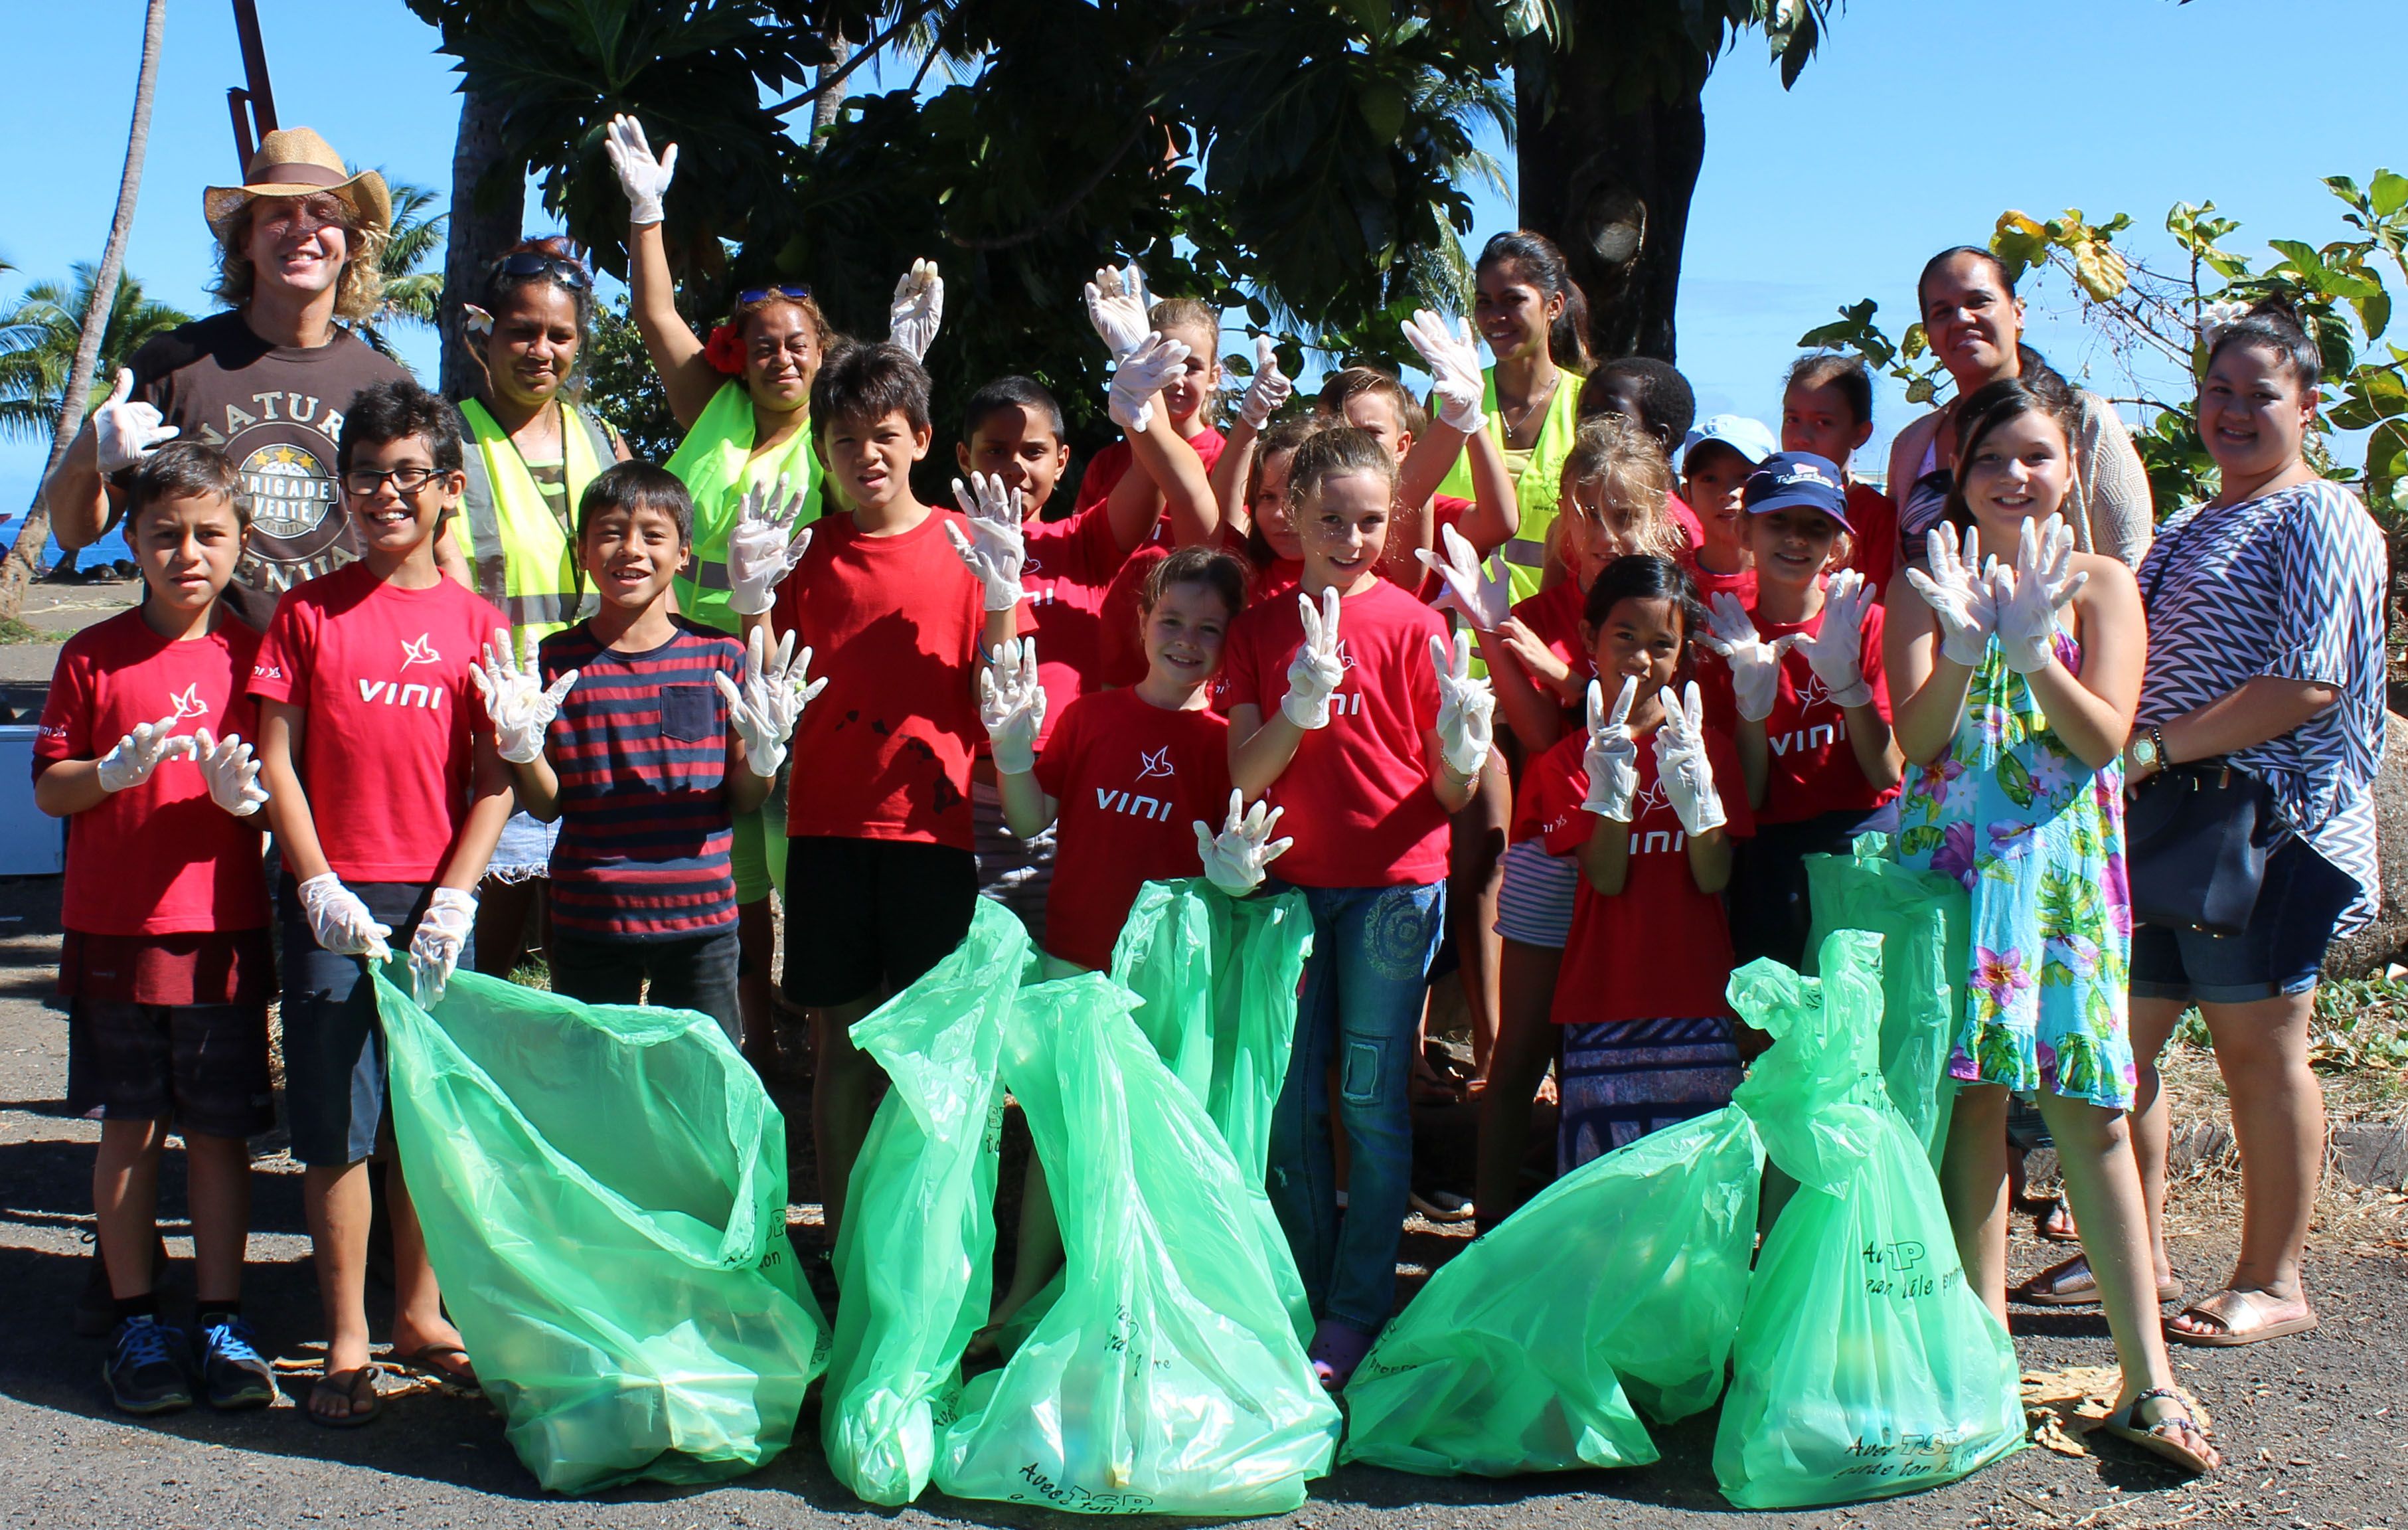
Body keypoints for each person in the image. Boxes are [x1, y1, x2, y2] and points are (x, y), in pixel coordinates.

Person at [1887, 377, 2216, 1473]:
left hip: (2064, 876)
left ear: (2069, 464)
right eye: (1990, 460)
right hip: (1952, 869)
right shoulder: (1925, 581)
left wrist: (2034, 652)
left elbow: (2104, 733)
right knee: (1971, 1105)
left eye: (2034, 455)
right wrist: (1972, 645)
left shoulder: (2103, 582)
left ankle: (2148, 1376)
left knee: (2093, 1111)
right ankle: (1979, 1358)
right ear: (1958, 472)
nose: (2013, 477)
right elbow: (1918, 739)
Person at [605, 114, 944, 1063]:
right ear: (738, 354)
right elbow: (655, 319)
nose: (780, 358)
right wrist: (647, 215)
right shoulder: (707, 408)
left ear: (821, 351)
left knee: (804, 859)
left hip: (791, 676)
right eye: (762, 344)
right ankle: (753, 1034)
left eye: (797, 343)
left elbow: (892, 454)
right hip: (690, 666)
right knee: (730, 871)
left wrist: (911, 359)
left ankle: (827, 1026)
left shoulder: (836, 433)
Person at [2115, 304, 2385, 1349]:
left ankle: (2271, 1279)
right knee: (2116, 1048)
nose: (2231, 412)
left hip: (2270, 825)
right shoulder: (2185, 524)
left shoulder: (2321, 517)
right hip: (2170, 822)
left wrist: (2151, 749)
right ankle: (2134, 1259)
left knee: (2257, 1056)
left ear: (2306, 407)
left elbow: (2305, 685)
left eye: (2257, 393)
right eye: (2216, 391)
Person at [249, 379, 515, 1426]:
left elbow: (497, 777)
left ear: (448, 489)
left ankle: (420, 1312)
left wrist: (454, 899)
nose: (386, 493)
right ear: (342, 488)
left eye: (409, 474)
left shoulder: (478, 622)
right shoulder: (307, 613)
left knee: (425, 1121)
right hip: (333, 901)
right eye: (366, 475)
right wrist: (311, 876)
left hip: (434, 899)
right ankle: (349, 1337)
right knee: (336, 1127)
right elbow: (278, 757)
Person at [1222, 426, 1494, 1390]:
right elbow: (1241, 774)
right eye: (1328, 518)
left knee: (1370, 1100)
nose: (1348, 537)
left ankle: (1355, 1309)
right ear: (1287, 513)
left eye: (1369, 521)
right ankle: (1296, 1289)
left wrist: (1462, 753)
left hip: (1392, 890)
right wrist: (1297, 709)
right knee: (1291, 1105)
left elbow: (1451, 794)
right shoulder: (1257, 630)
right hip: (1288, 891)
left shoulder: (1420, 626)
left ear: (1394, 522)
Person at [748, 342, 1030, 1243]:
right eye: (842, 439)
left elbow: (1002, 687)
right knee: (840, 1043)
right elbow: (764, 685)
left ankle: (928, 1237)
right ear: (821, 452)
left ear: (920, 440)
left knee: (928, 1051)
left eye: (883, 435)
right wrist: (752, 597)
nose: (864, 454)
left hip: (932, 832)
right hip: (825, 827)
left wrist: (998, 596)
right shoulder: (807, 555)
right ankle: (846, 1236)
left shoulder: (967, 548)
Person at [976, 545, 1287, 1333]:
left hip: (1168, 982)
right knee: (1059, 1138)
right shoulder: (1089, 715)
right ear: (1143, 619)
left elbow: (1237, 851)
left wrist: (1236, 877)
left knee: (1146, 1142)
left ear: (1231, 643)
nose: (1186, 639)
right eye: (1172, 619)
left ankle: (1130, 1303)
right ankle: (1024, 1302)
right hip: (1074, 961)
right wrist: (1012, 756)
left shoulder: (1226, 744)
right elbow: (1028, 819)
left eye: (1209, 629)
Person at [36, 445, 276, 1414]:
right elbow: (51, 788)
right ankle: (138, 1313)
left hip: (221, 930)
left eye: (209, 534)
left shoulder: (256, 656)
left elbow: (280, 795)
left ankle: (219, 1316)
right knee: (129, 1131)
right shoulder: (88, 654)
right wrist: (109, 775)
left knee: (220, 1136)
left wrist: (245, 804)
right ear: (129, 537)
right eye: (165, 533)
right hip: (113, 931)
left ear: (240, 543)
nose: (187, 552)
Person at [42, 128, 468, 625]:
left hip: (339, 678)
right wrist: (84, 458)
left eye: (324, 214)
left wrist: (470, 648)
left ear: (352, 243)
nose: (302, 229)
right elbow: (74, 534)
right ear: (244, 240)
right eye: (279, 214)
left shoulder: (386, 382)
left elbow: (439, 546)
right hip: (208, 679)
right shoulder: (174, 364)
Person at [483, 463, 813, 1043]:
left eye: (653, 535)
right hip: (590, 916)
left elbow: (742, 797)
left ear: (683, 553)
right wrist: (521, 750)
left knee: (699, 1085)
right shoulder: (553, 662)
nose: (630, 549)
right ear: (582, 549)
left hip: (702, 918)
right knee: (598, 1082)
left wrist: (764, 760)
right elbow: (548, 806)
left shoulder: (721, 657)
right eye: (609, 532)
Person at [961, 344, 1217, 942]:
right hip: (970, 797)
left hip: (1074, 796)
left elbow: (1153, 476)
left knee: (1065, 961)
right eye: (993, 451)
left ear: (1062, 461)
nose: (1012, 468)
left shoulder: (1081, 542)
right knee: (976, 973)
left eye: (1032, 452)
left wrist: (1139, 404)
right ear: (962, 457)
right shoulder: (945, 544)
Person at [1512, 558, 1751, 1176]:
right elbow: (1607, 876)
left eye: (1661, 645)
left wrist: (1699, 804)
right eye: (1625, 637)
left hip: (1695, 996)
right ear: (1590, 639)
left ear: (1682, 657)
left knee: (1696, 1188)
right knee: (1606, 1191)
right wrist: (1609, 791)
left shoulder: (1708, 750)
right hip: (1603, 1001)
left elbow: (1714, 876)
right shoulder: (1566, 759)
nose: (1642, 659)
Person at [451, 236, 631, 978]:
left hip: (590, 706)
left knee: (578, 917)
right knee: (491, 911)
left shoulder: (603, 438)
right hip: (491, 713)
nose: (540, 350)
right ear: (482, 333)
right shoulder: (448, 440)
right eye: (521, 330)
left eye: (560, 336)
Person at [1697, 454, 1903, 971]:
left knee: (1865, 1010)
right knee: (1780, 1021)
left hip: (1865, 838)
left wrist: (1850, 686)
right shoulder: (1726, 642)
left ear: (1839, 545)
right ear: (1744, 530)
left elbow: (1886, 772)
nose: (1795, 539)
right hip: (1773, 852)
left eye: (1816, 527)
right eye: (1777, 522)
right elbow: (1750, 796)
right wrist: (1751, 710)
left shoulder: (1867, 623)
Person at [1887, 246, 2152, 570]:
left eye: (1978, 302)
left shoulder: (2083, 418)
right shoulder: (1912, 445)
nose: (1961, 318)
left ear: (2018, 312)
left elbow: (2133, 563)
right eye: (1942, 311)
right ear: (1929, 335)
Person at [1434, 231, 1593, 602]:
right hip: (1454, 635)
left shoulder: (1587, 404)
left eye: (1513, 300)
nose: (1495, 317)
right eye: (1483, 302)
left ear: (1553, 306)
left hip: (1552, 636)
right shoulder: (1450, 398)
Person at [1070, 267, 1229, 517]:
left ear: (1214, 377)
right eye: (1163, 363)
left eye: (1192, 368)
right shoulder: (1108, 463)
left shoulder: (1227, 461)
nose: (1176, 379)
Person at [1779, 353, 1897, 595]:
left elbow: (1881, 609)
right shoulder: (1764, 505)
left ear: (1860, 434)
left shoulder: (1878, 517)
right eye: (1792, 419)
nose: (1801, 437)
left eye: (1823, 423)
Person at [1577, 355, 1705, 550]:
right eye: (1586, 411)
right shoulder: (1578, 516)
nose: (1591, 425)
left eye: (1611, 415)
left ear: (1659, 437)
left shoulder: (1681, 537)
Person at [1678, 414, 1779, 606]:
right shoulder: (1671, 582)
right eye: (1710, 479)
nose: (1727, 493)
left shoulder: (1791, 578)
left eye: (1745, 477)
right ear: (1687, 494)